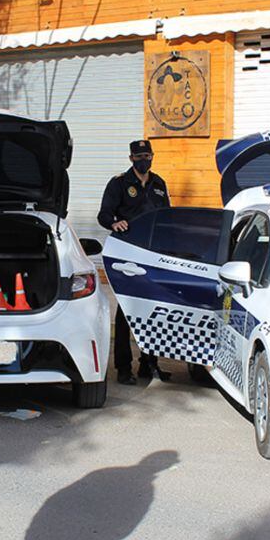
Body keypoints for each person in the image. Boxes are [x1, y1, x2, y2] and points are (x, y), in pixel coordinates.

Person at [97, 139, 171, 385]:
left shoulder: (159, 184)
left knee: (152, 309)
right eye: (139, 157)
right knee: (126, 312)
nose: (143, 160)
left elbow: (167, 216)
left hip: (152, 254)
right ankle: (123, 368)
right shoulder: (119, 183)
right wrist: (113, 223)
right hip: (127, 253)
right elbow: (104, 214)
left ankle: (149, 364)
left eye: (147, 155)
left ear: (152, 156)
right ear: (131, 158)